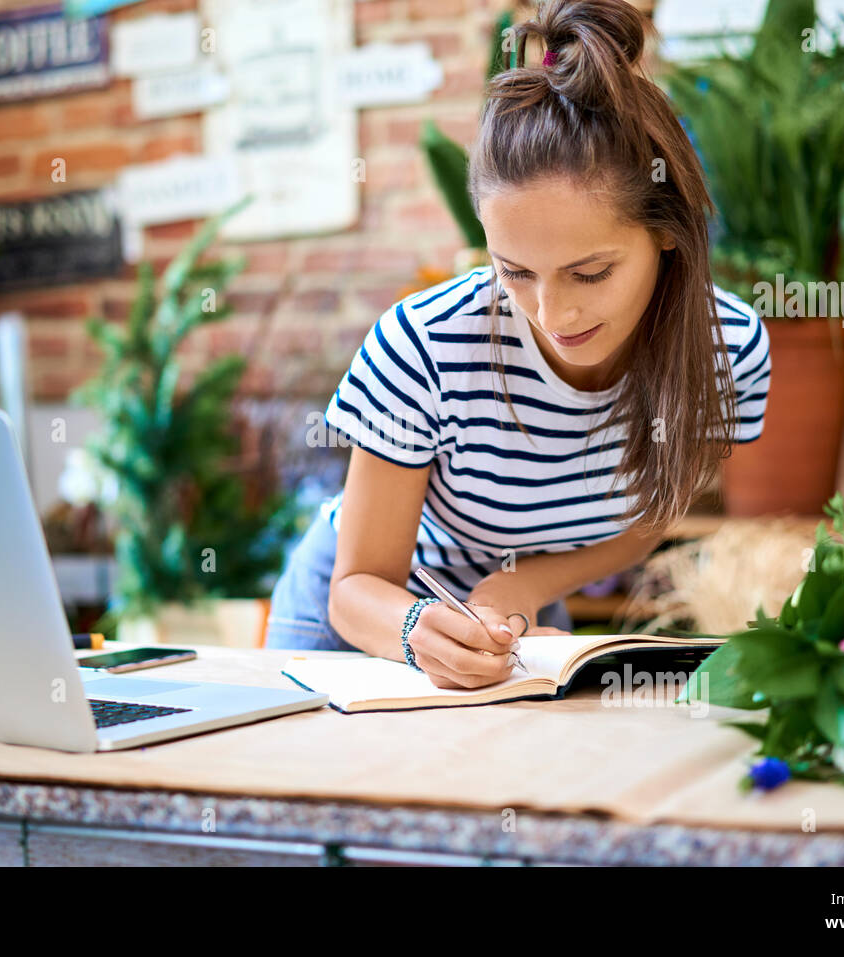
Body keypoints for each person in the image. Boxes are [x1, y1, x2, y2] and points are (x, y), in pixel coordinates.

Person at [265, 0, 771, 690]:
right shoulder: (426, 344)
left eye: (589, 272)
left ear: (666, 231)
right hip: (357, 628)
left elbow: (653, 515)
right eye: (515, 272)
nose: (550, 311)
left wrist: (524, 583)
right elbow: (355, 586)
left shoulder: (727, 351)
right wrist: (417, 628)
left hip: (516, 623)